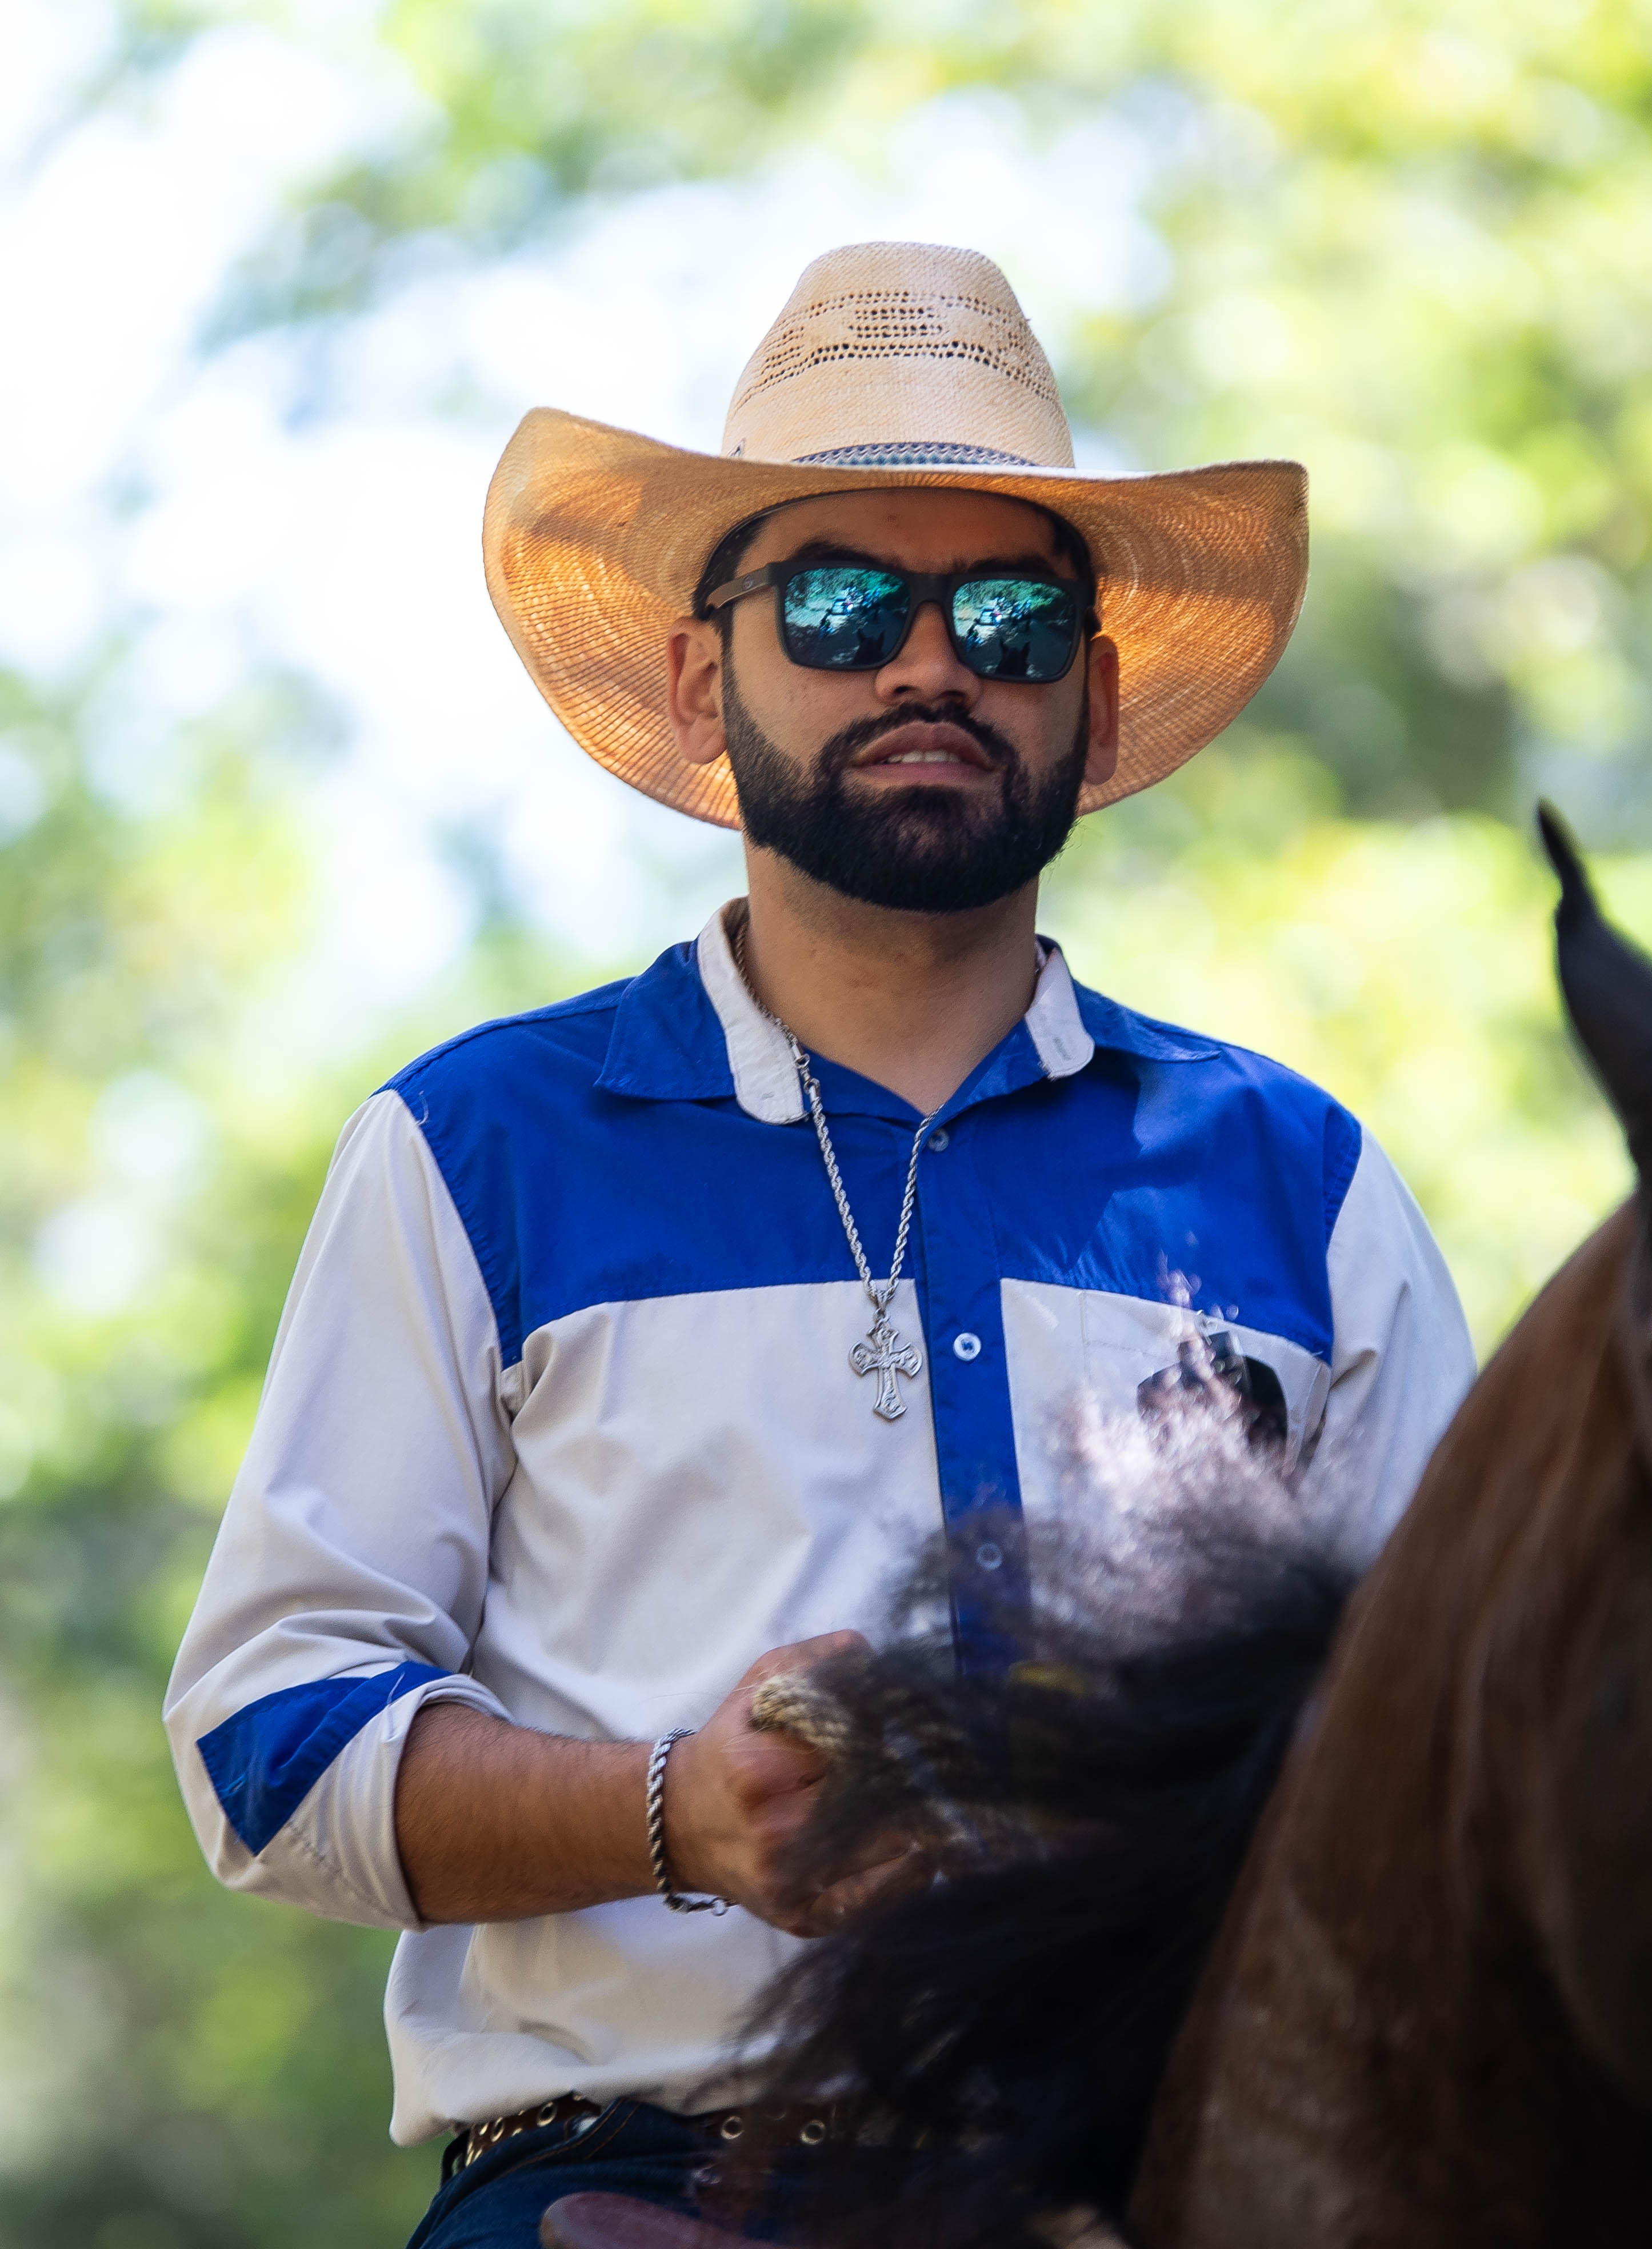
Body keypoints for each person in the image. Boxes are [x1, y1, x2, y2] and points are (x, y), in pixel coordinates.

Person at [162, 241, 1474, 2247]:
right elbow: (262, 1748)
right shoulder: (476, 1151)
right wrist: (673, 1812)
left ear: (1098, 697)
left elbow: (1461, 1760)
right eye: (843, 604)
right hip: (626, 2194)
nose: (929, 666)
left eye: (1013, 617)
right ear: (707, 681)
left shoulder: (1299, 1181)